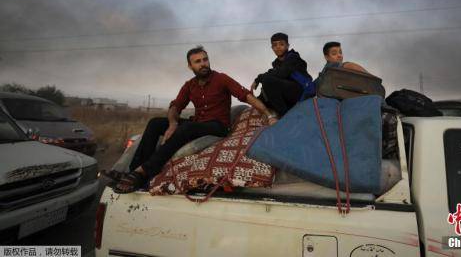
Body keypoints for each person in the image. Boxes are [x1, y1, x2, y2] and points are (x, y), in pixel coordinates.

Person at [106, 46, 276, 193]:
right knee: (155, 123)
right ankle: (134, 170)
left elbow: (245, 95)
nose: (203, 64)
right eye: (197, 61)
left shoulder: (221, 79)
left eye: (205, 59)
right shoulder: (190, 85)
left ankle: (145, 171)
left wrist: (267, 114)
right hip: (197, 124)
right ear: (190, 66)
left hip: (217, 126)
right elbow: (175, 106)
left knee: (186, 129)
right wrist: (172, 123)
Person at [251, 32, 313, 117]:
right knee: (261, 97)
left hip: (301, 92)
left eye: (281, 44)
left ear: (287, 45)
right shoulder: (276, 64)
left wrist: (259, 79)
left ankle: (285, 116)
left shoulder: (293, 58)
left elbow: (282, 73)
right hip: (287, 94)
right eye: (275, 45)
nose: (278, 47)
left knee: (268, 81)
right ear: (272, 48)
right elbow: (272, 74)